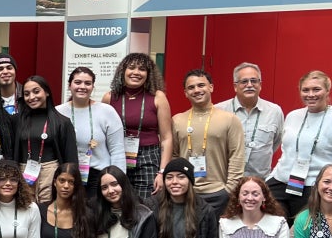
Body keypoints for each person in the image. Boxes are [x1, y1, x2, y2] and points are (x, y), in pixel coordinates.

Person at [267, 71, 332, 220]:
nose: (310, 94)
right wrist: (270, 178)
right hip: (283, 181)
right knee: (268, 228)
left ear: (327, 90)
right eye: (305, 90)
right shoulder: (292, 116)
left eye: (316, 89)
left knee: (310, 233)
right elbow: (287, 153)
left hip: (316, 187)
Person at [170, 69, 245, 217]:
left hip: (218, 193)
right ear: (185, 92)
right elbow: (174, 156)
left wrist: (229, 190)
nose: (197, 90)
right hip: (187, 192)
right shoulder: (177, 120)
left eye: (201, 85)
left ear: (211, 87)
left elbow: (237, 156)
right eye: (191, 87)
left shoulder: (229, 119)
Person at [103, 53, 173, 200]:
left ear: (148, 74)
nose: (136, 72)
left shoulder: (157, 97)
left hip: (149, 157)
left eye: (142, 69)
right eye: (131, 68)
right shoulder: (110, 97)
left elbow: (167, 138)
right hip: (118, 155)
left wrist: (162, 172)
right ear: (123, 71)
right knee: (118, 201)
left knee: (146, 204)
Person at [59, 66, 126, 197]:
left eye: (87, 83)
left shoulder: (107, 111)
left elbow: (117, 150)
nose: (82, 86)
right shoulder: (58, 112)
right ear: (69, 85)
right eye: (77, 82)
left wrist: (118, 181)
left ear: (93, 87)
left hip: (99, 177)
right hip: (68, 177)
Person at [15, 76, 78, 205]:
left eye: (36, 91)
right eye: (26, 94)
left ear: (47, 92)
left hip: (51, 173)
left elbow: (71, 158)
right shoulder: (16, 121)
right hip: (24, 173)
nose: (31, 97)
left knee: (48, 212)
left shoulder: (62, 122)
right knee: (25, 212)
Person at [214, 63, 284, 178]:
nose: (250, 85)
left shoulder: (274, 111)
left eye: (254, 81)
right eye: (244, 81)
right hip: (226, 180)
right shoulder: (219, 110)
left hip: (260, 181)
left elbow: (276, 142)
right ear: (235, 86)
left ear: (260, 85)